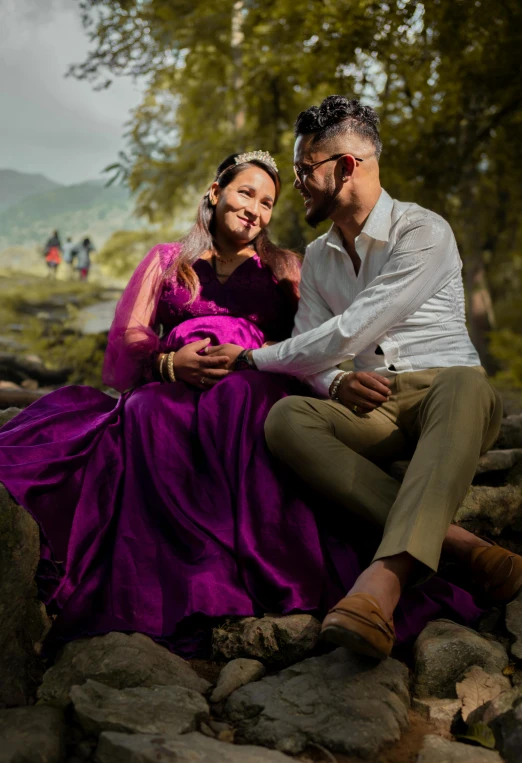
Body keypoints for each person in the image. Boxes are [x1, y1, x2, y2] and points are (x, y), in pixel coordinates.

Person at [0, 150, 488, 657]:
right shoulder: (169, 260)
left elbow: (319, 339)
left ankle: (252, 568)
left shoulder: (286, 266)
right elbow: (129, 334)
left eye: (268, 202)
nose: (255, 208)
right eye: (245, 193)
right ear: (215, 193)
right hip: (172, 381)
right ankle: (172, 576)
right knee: (147, 414)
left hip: (253, 377)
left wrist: (326, 377)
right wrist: (171, 362)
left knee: (243, 401)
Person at [206, 98, 522, 660]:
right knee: (286, 418)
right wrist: (333, 385)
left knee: (465, 385)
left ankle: (383, 585)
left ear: (346, 167)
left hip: (450, 392)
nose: (297, 183)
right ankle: (460, 545)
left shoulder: (423, 230)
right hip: (376, 405)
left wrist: (252, 358)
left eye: (305, 169)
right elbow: (316, 345)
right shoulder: (321, 257)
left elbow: (354, 327)